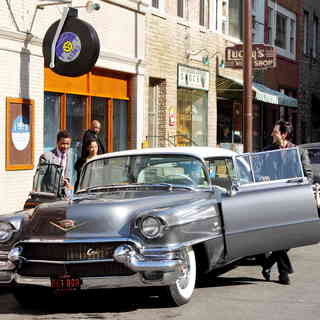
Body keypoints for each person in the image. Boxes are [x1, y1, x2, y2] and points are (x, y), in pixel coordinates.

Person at [260, 120, 313, 285]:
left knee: (288, 238)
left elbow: (309, 175)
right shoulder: (267, 152)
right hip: (273, 201)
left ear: (283, 134)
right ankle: (284, 274)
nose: (271, 134)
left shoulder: (299, 152)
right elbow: (259, 173)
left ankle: (268, 264)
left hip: (291, 200)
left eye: (275, 132)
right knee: (280, 236)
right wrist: (263, 178)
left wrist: (299, 185)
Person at [38, 130, 73, 196]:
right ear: (57, 142)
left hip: (64, 196)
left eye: (67, 144)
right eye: (63, 143)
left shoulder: (70, 156)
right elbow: (39, 179)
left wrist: (66, 180)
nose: (65, 146)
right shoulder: (47, 157)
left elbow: (67, 174)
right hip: (49, 197)